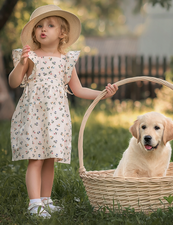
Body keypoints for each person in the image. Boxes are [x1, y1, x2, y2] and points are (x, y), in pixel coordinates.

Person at [8, 5, 118, 218]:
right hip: (34, 116)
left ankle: (46, 200)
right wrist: (21, 64)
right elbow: (14, 83)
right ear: (34, 32)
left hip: (56, 118)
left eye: (50, 25)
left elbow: (77, 89)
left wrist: (103, 94)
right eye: (39, 26)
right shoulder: (29, 57)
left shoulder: (65, 60)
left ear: (62, 33)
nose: (43, 29)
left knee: (50, 158)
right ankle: (34, 204)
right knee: (36, 158)